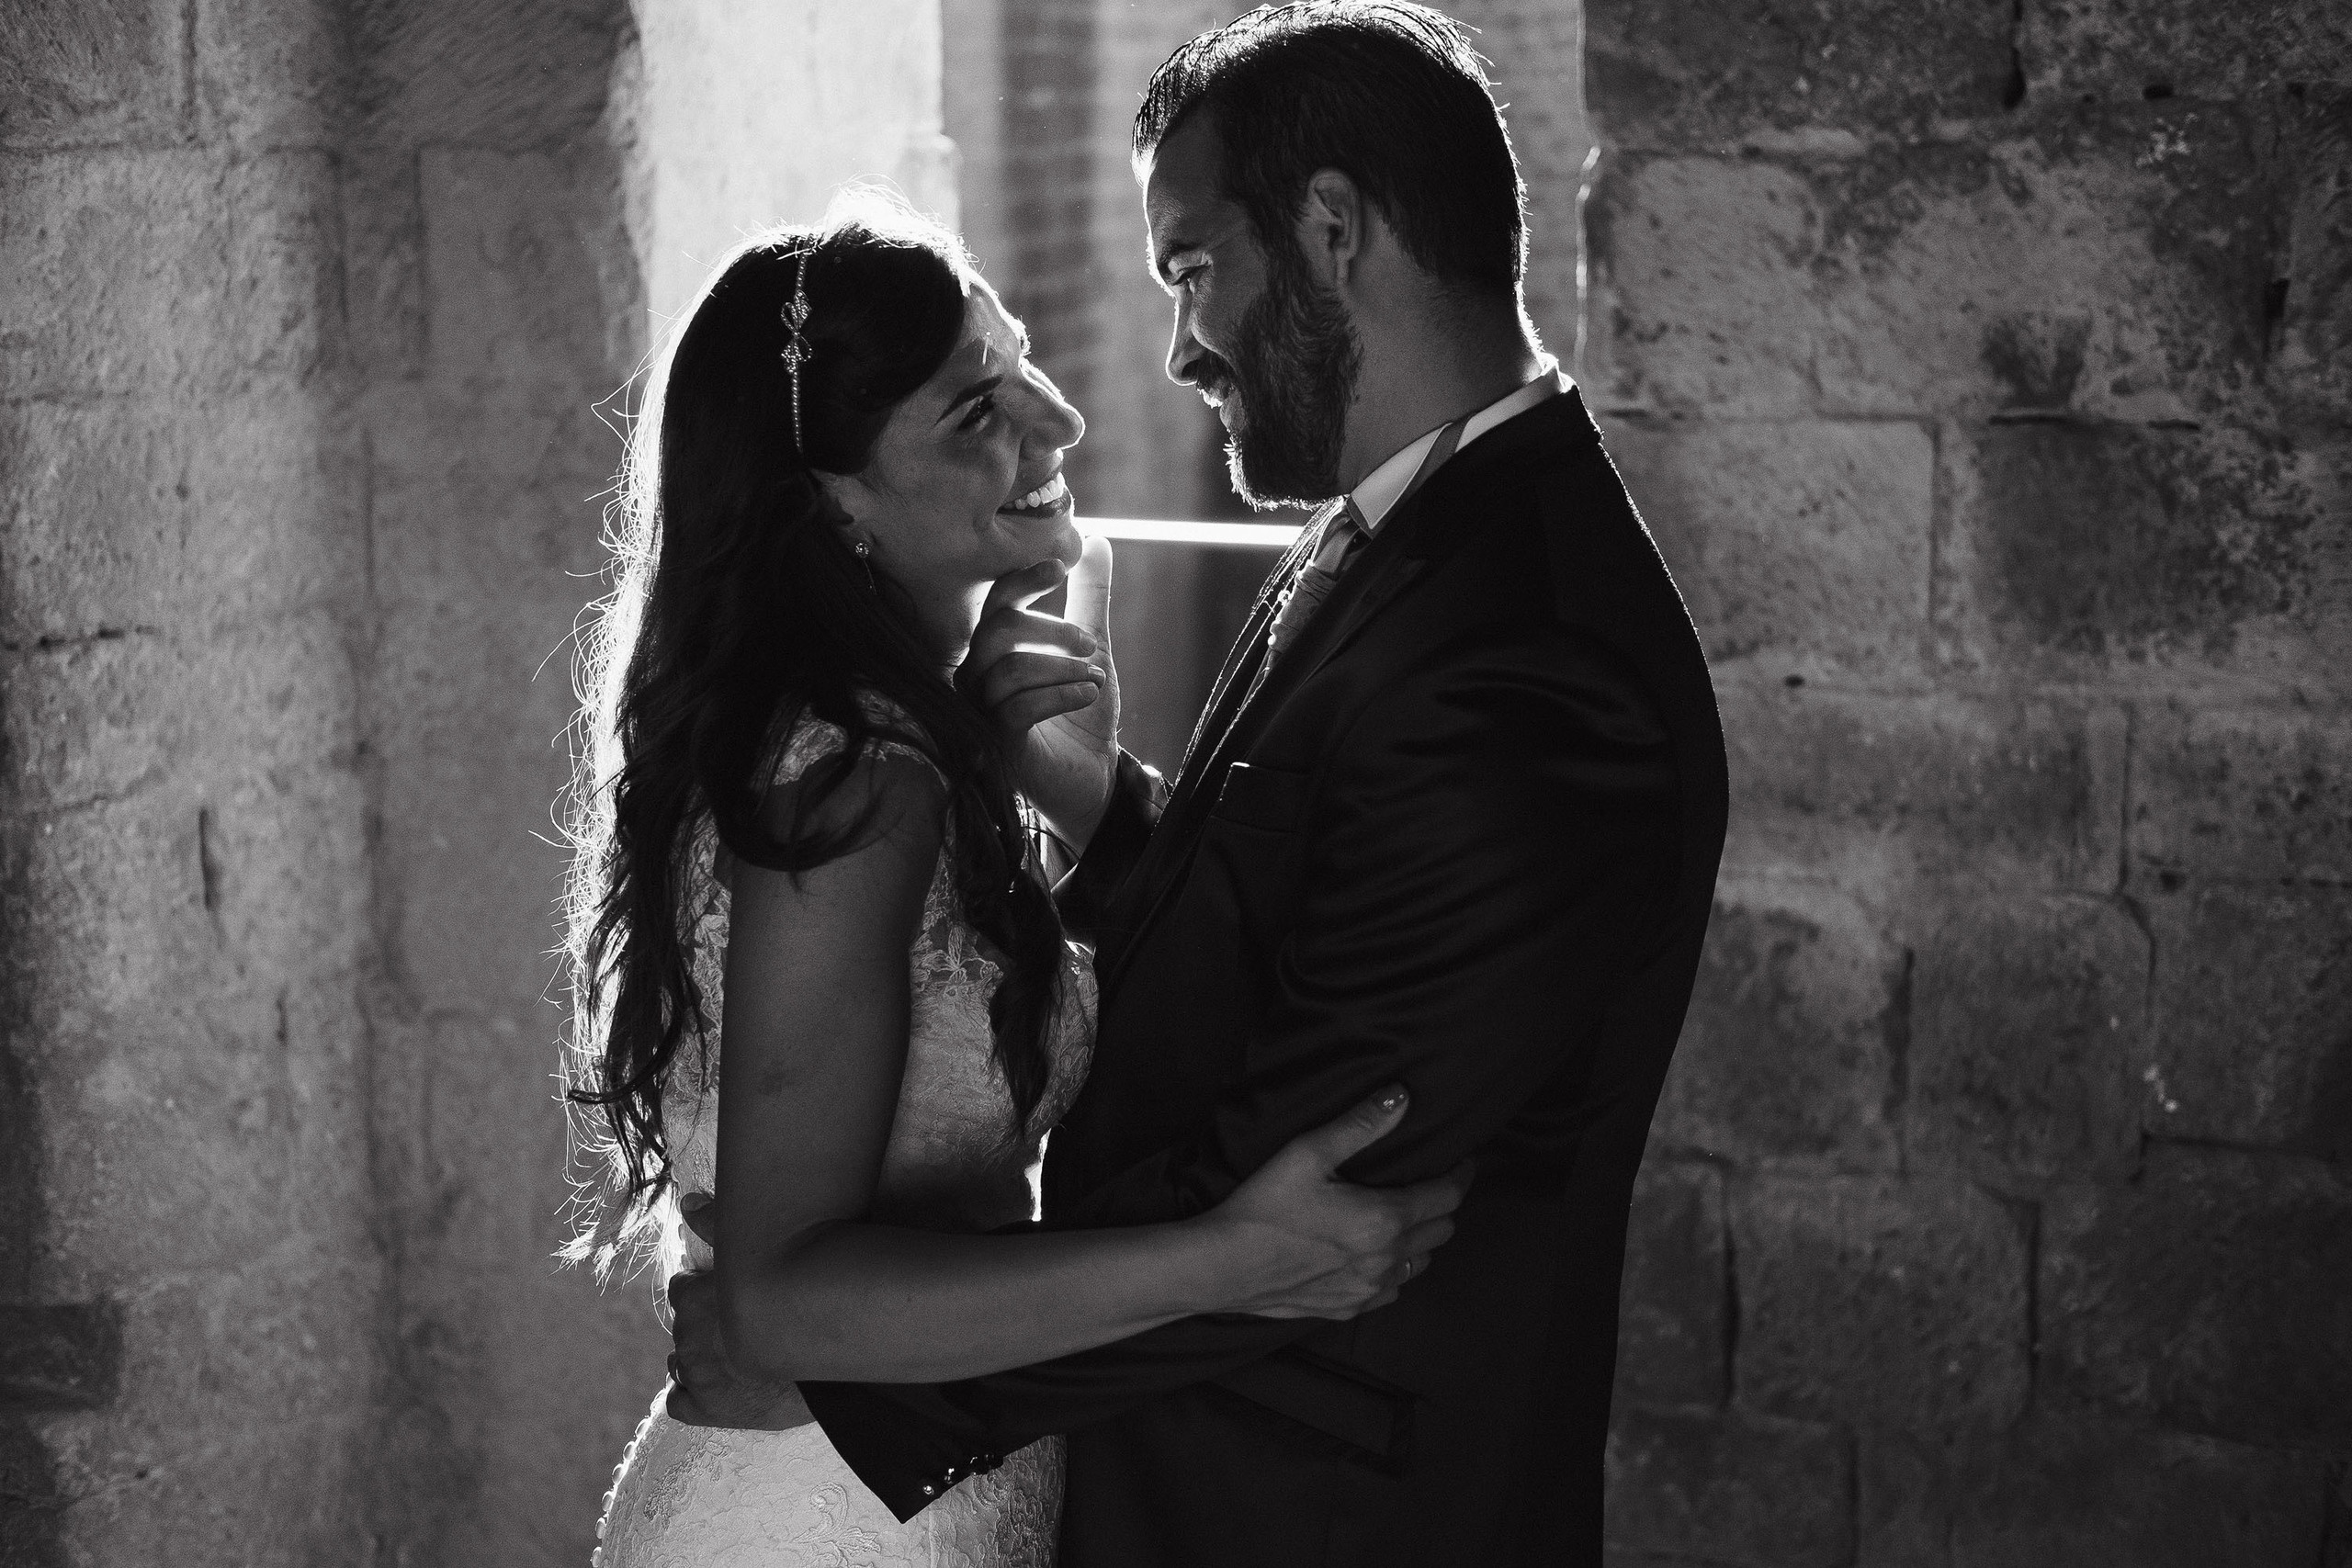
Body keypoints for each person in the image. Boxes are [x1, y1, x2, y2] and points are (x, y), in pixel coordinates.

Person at [666, 6, 1730, 1565]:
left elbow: (1316, 1203)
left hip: (1320, 1515)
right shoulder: (1404, 527)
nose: (1168, 351)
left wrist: (839, 1354)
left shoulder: (1532, 653)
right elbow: (1305, 925)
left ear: (1330, 229)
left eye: (1190, 270)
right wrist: (1103, 812)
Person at [563, 197, 1471, 1567]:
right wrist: (1245, 1258)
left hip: (927, 1480)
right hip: (818, 1519)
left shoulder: (913, 748)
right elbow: (787, 1305)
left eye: (1024, 361)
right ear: (835, 502)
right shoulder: (863, 782)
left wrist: (1066, 789)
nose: (1059, 422)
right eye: (976, 412)